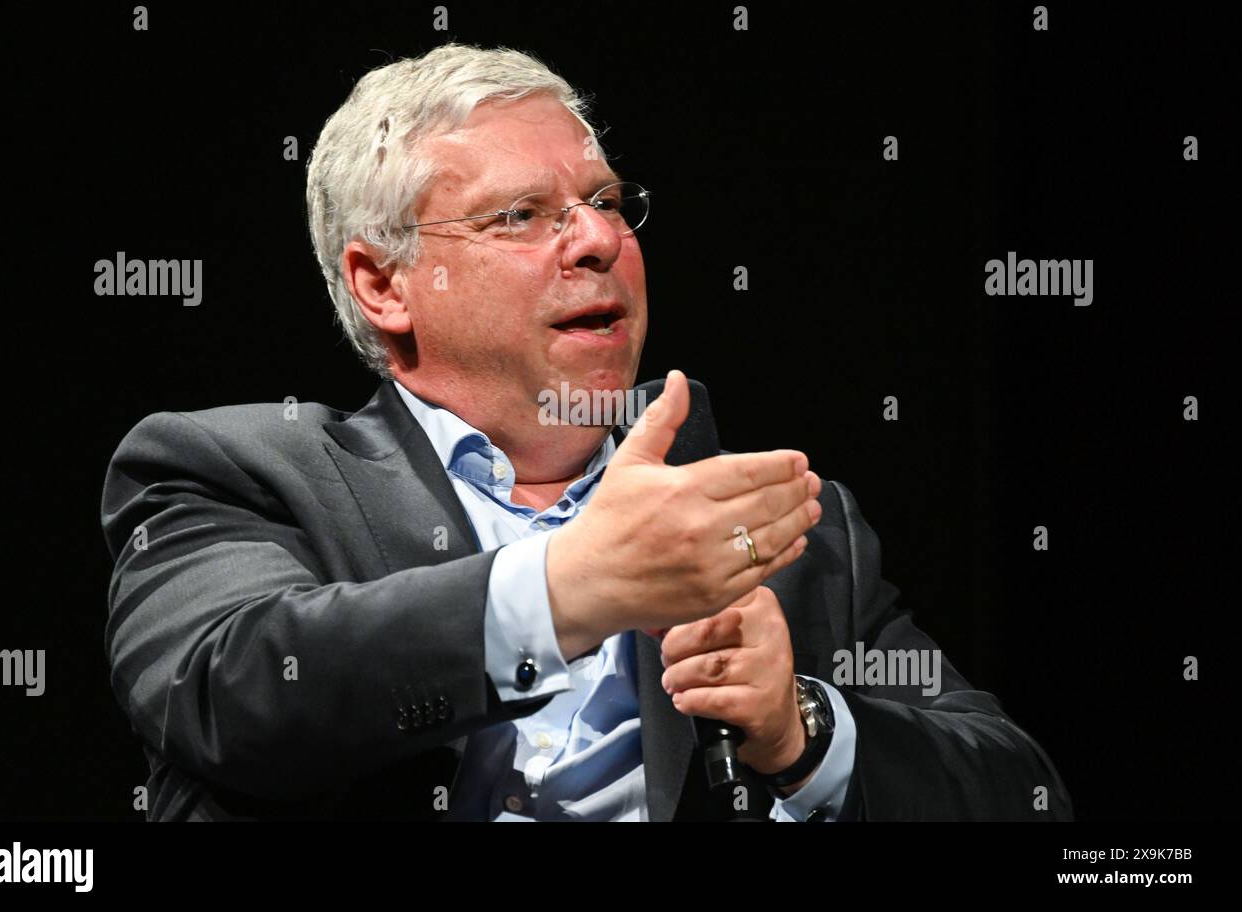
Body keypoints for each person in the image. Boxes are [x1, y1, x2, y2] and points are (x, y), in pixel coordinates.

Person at [100, 42, 1072, 821]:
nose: (598, 240)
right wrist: (566, 590)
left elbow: (1021, 793)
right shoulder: (236, 472)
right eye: (520, 216)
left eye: (605, 203)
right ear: (383, 283)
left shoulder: (779, 527)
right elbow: (230, 694)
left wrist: (802, 729)